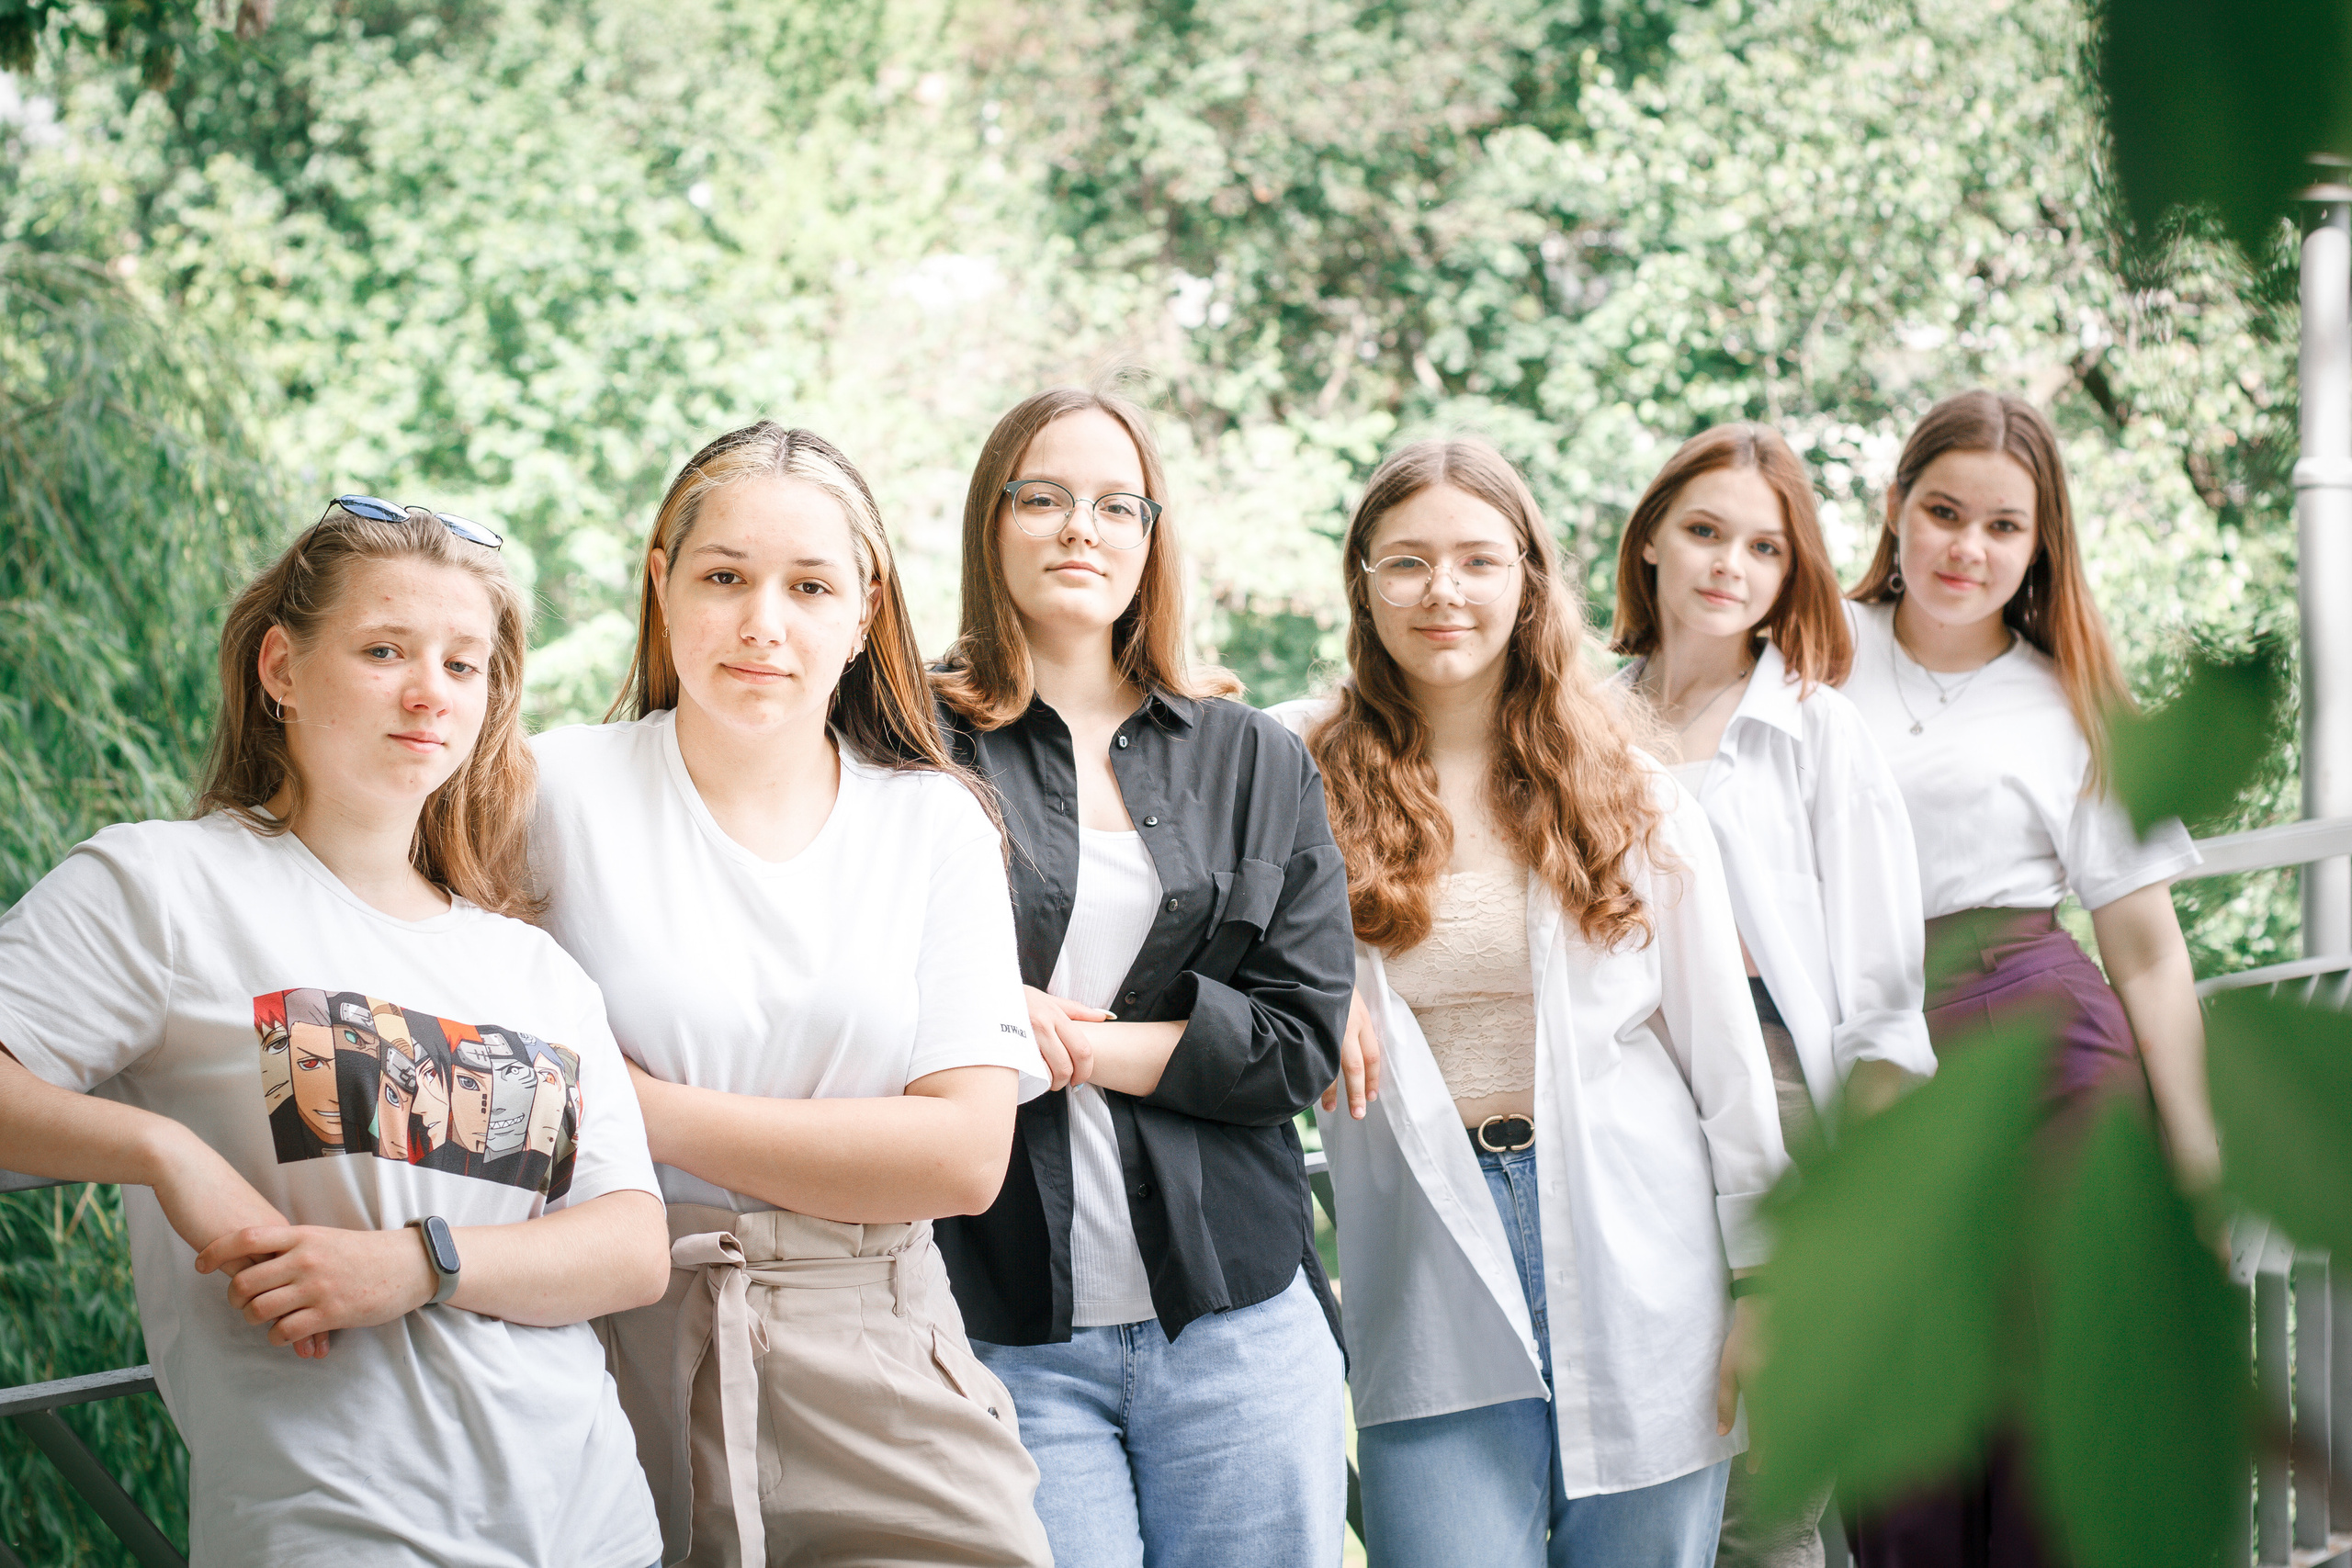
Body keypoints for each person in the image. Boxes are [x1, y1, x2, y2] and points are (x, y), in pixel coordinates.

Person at [0, 499, 671, 1568]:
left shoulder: (531, 966)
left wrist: (419, 1264)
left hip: (597, 1529)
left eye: (463, 663)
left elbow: (630, 1247)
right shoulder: (166, 887)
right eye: (384, 650)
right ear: (282, 668)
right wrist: (165, 1153)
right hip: (342, 1531)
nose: (429, 691)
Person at [529, 423, 1054, 1568]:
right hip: (614, 1346)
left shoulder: (934, 824)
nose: (763, 623)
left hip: (876, 1341)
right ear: (662, 585)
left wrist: (639, 1108)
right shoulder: (547, 790)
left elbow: (964, 1157)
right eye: (724, 577)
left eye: (809, 586)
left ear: (864, 613)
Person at [1271, 436, 1788, 1568]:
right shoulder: (1293, 772)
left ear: (1529, 580)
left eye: (1477, 560)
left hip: (1641, 1248)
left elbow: (1723, 1056)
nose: (1442, 591)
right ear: (1362, 583)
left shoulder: (1631, 789)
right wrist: (1308, 993)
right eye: (1407, 562)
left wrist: (1762, 1285)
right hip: (1428, 1257)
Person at [930, 386, 1355, 1568]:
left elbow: (1298, 1041)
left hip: (1237, 1323)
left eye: (1117, 505)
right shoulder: (906, 744)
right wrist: (978, 1015)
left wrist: (1046, 1040)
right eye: (1045, 498)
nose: (1082, 527)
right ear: (991, 520)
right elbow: (849, 980)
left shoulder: (1255, 759)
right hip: (1000, 1326)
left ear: (1151, 537)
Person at [1837, 389, 2219, 1568]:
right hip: (1857, 1053)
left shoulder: (2070, 703)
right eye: (1943, 512)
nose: (1967, 548)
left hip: (2042, 1046)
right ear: (1895, 507)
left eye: (2004, 526)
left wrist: (2194, 1167)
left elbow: (2146, 950)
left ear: (2040, 543)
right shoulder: (1809, 652)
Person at [1610, 423, 1939, 1568]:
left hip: (1784, 1098)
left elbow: (1885, 995)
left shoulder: (1815, 729)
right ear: (1650, 539)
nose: (1728, 566)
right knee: (1646, 1468)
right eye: (1704, 531)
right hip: (1616, 1111)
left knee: (1764, 1489)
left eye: (1763, 548)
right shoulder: (1575, 724)